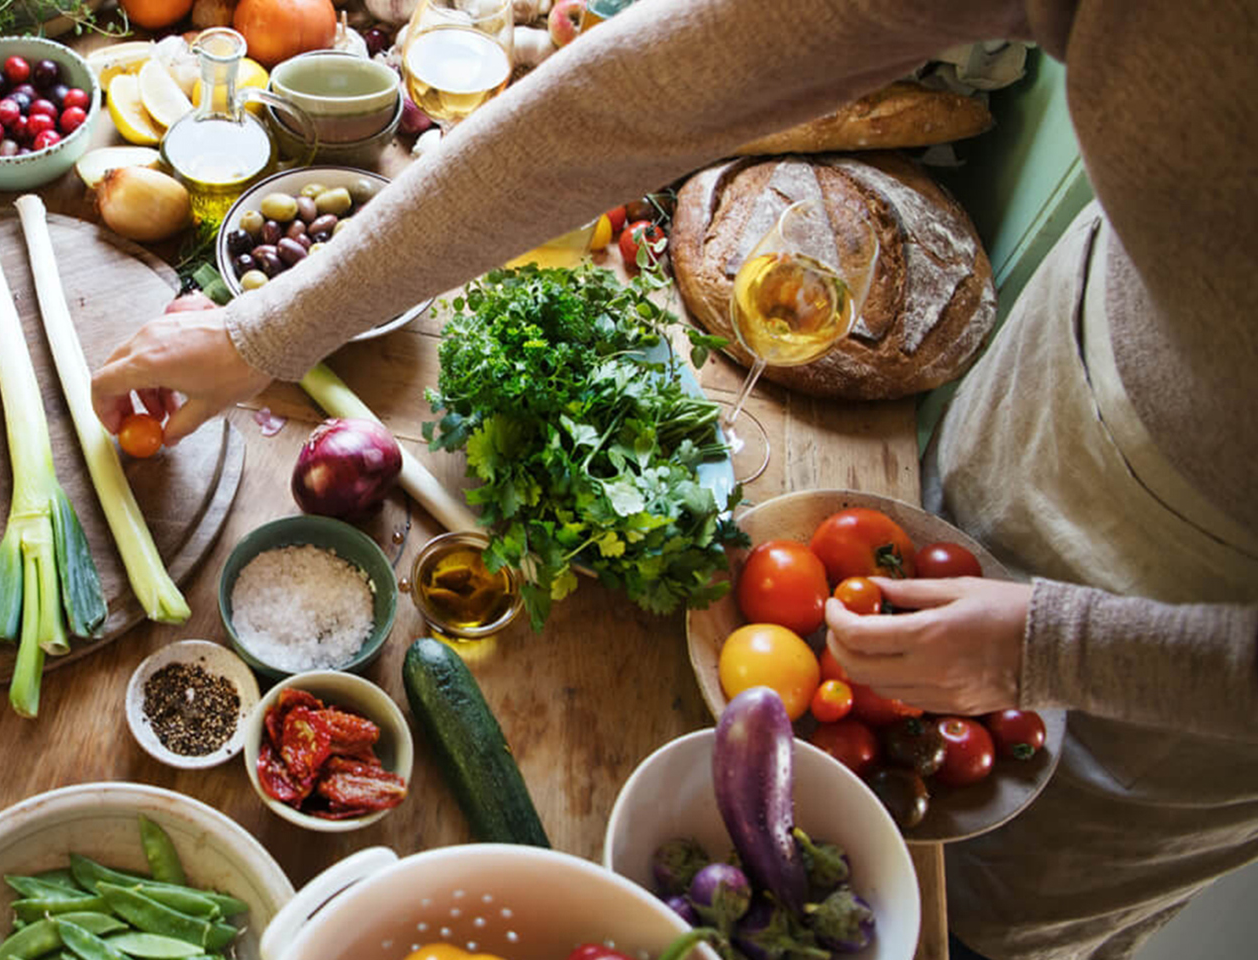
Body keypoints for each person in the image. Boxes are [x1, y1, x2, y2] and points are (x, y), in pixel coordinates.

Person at [89, 1, 1258, 957]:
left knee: (984, 907)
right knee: (904, 752)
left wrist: (1060, 646)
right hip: (1067, 372)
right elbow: (630, 97)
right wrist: (268, 330)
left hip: (1202, 660)